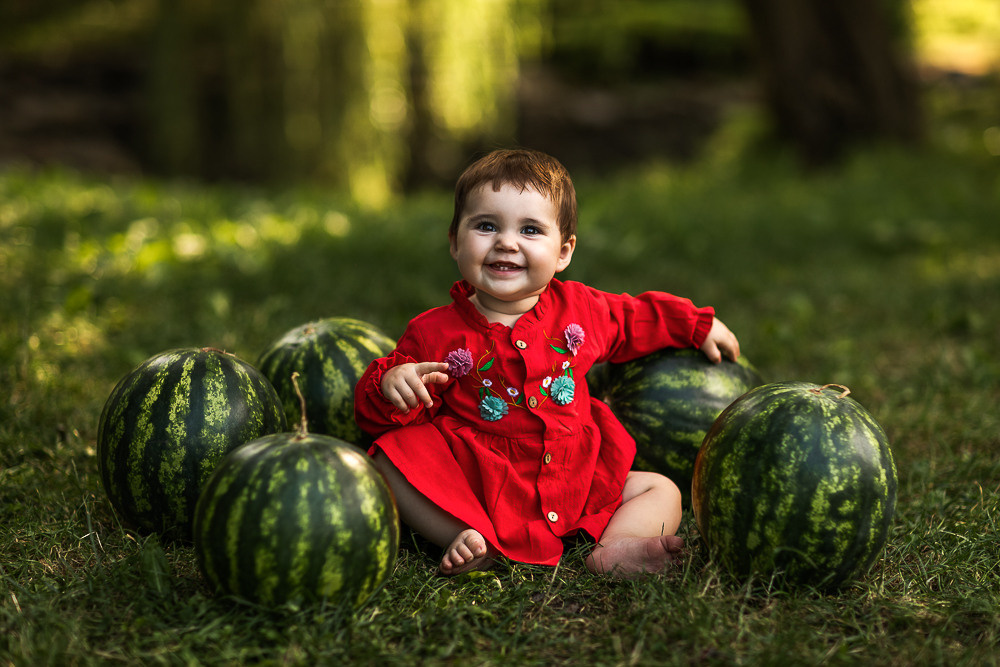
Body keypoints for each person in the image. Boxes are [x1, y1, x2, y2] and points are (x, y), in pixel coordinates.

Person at [354, 148, 740, 578]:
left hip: (576, 479)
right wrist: (395, 382)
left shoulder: (581, 309)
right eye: (485, 226)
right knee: (385, 459)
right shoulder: (433, 332)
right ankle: (464, 535)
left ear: (563, 252)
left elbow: (635, 318)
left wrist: (695, 324)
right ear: (454, 240)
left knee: (660, 487)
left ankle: (616, 548)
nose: (506, 242)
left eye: (531, 230)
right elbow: (376, 417)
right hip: (481, 487)